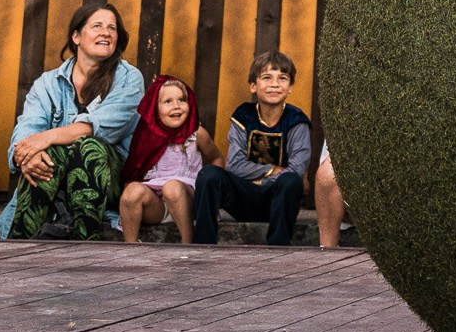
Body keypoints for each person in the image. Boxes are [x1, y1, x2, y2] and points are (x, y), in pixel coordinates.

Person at [2, 1, 144, 240]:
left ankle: (84, 241)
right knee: (44, 155)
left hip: (110, 182)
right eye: (97, 26)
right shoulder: (48, 83)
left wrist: (43, 139)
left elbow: (98, 127)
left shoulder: (129, 78)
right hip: (55, 180)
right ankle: (19, 245)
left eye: (112, 28)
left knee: (89, 146)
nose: (106, 33)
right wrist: (28, 154)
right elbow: (27, 128)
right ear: (76, 36)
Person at [193, 52, 314, 246]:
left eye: (282, 78)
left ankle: (278, 245)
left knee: (291, 181)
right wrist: (272, 170)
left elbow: (297, 169)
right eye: (267, 78)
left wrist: (264, 180)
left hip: (278, 199)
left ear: (290, 87)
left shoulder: (296, 121)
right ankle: (203, 243)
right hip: (244, 197)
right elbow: (234, 164)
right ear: (253, 86)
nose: (275, 84)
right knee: (209, 175)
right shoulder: (243, 116)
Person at [116, 75, 208, 243]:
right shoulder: (146, 137)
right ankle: (130, 247)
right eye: (168, 102)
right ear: (155, 108)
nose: (176, 106)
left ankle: (189, 245)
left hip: (188, 201)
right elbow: (133, 172)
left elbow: (216, 159)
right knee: (131, 191)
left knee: (172, 188)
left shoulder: (196, 134)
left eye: (182, 100)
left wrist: (211, 196)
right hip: (157, 206)